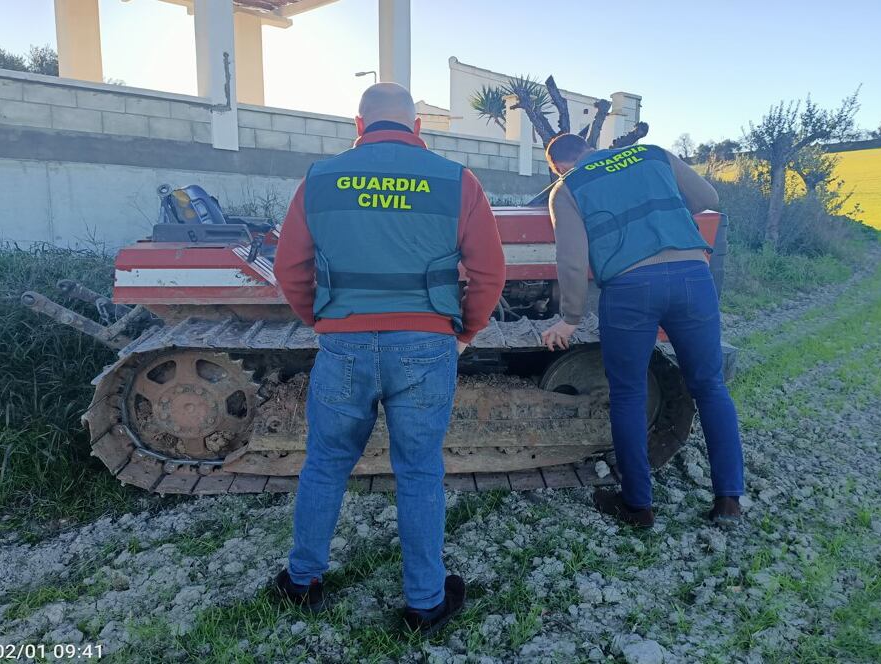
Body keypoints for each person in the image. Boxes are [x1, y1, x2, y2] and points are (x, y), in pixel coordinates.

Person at [271, 83, 506, 632]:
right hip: (426, 344)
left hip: (343, 342)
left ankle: (303, 581)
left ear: (359, 124)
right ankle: (425, 601)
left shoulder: (319, 179)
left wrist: (324, 322)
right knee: (420, 469)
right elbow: (491, 272)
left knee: (326, 462)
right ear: (416, 127)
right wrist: (465, 331)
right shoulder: (457, 180)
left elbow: (289, 269)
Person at [540, 133, 744, 528]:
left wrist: (570, 317)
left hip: (630, 290)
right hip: (692, 279)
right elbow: (708, 199)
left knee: (629, 393)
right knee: (711, 386)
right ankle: (729, 501)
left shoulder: (568, 188)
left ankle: (638, 505)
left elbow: (571, 260)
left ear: (559, 167)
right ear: (591, 149)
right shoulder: (653, 155)